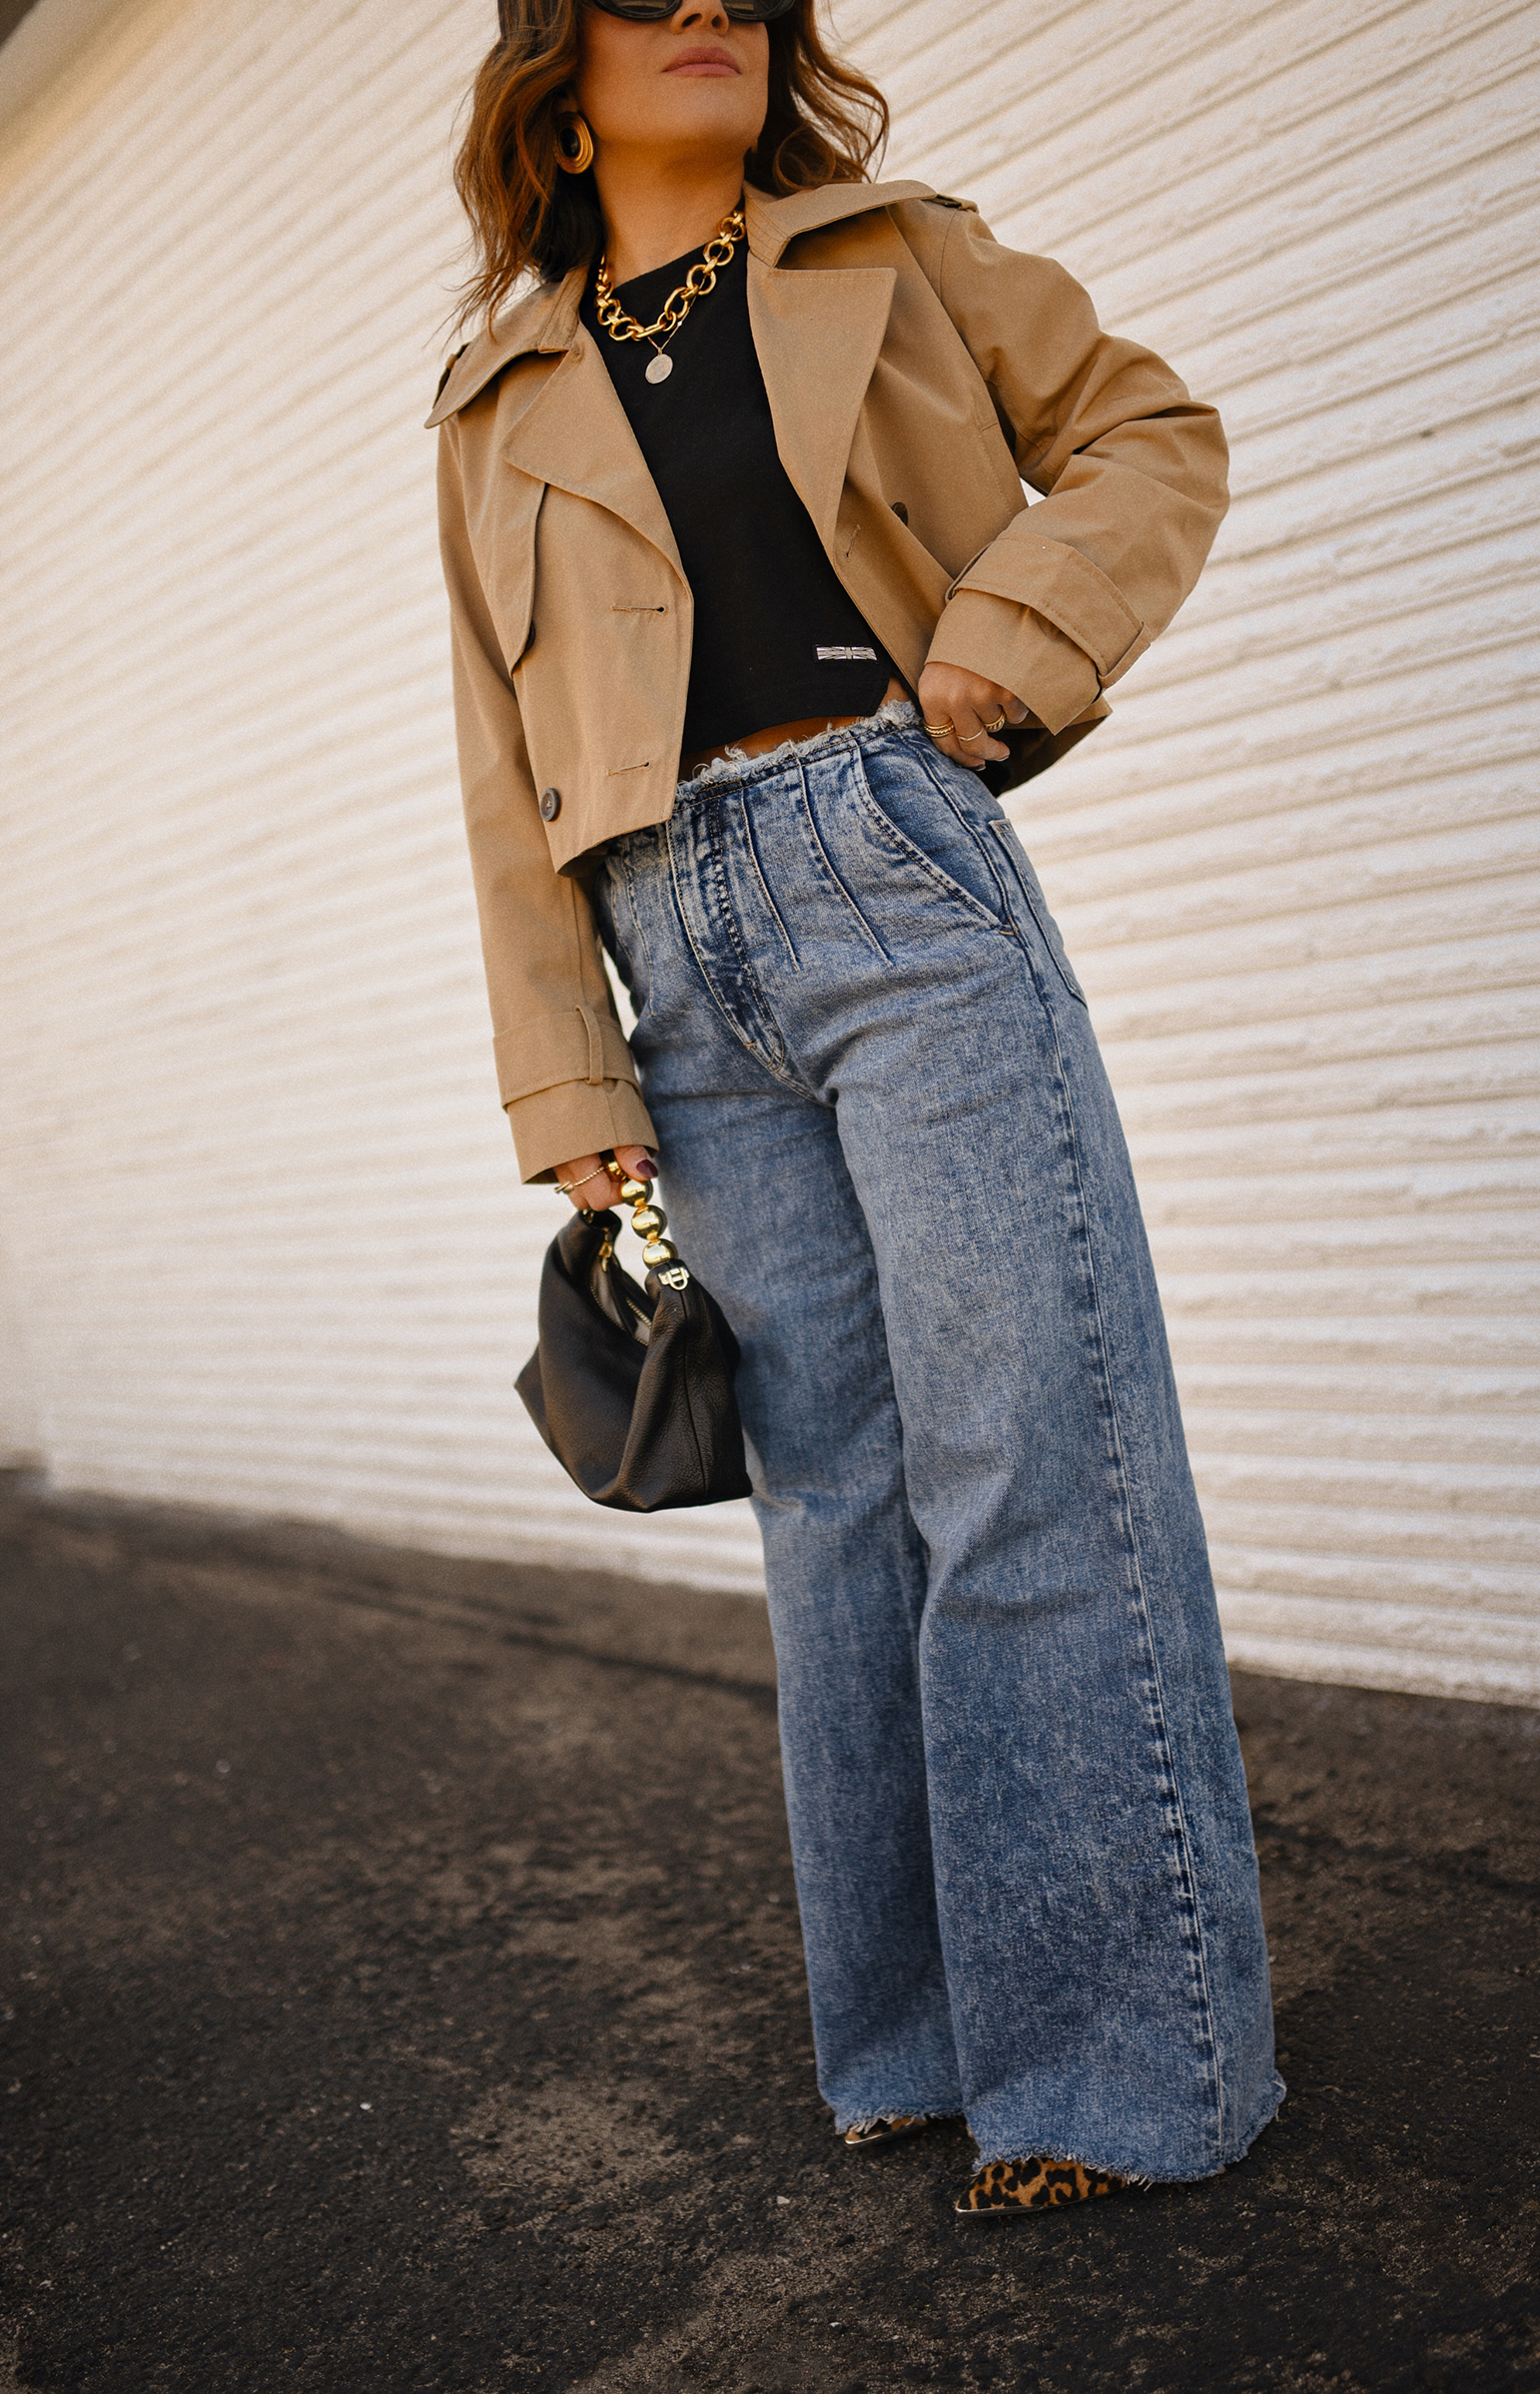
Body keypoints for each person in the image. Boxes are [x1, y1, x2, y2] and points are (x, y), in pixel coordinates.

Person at [431, 0, 1282, 2217]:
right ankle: (918, 2042)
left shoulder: (895, 247)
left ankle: (1110, 2065)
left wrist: (1000, 640)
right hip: (665, 949)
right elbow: (493, 769)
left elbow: (1149, 431)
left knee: (1027, 1452)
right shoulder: (495, 398)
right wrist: (567, 1069)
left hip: (882, 860)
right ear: (558, 54)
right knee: (830, 1507)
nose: (705, 5)